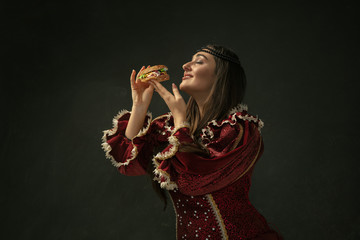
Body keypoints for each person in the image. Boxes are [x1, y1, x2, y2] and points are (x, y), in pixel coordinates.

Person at [101, 44, 283, 239]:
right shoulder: (171, 127)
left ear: (221, 76)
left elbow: (193, 182)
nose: (185, 65)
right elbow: (129, 164)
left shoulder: (238, 129)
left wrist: (180, 121)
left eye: (199, 61)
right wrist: (139, 106)